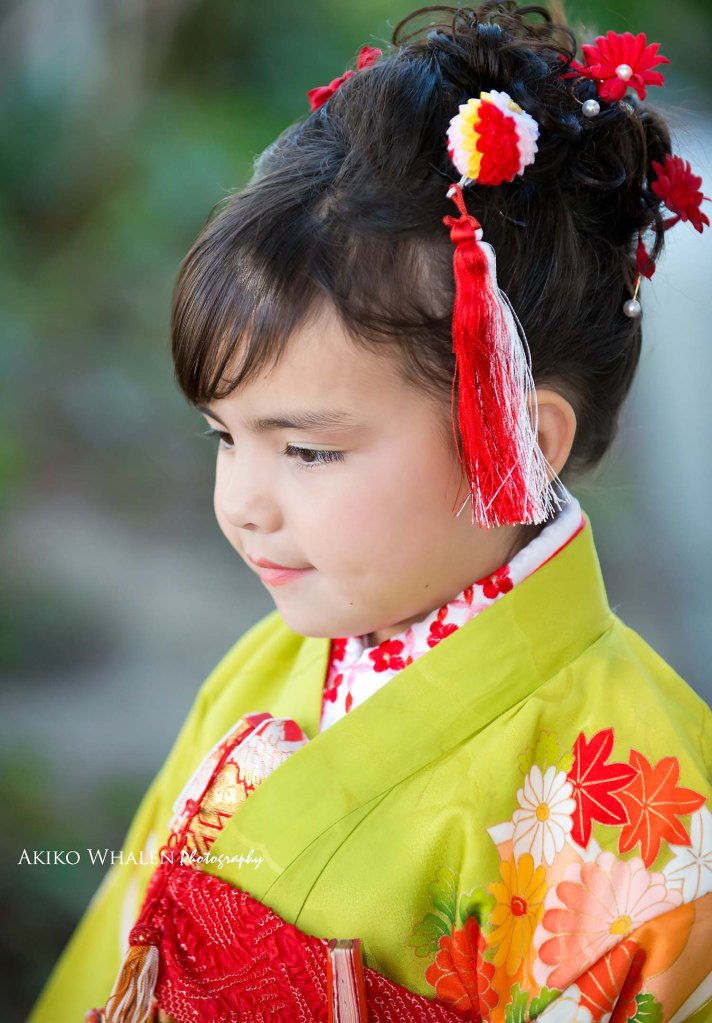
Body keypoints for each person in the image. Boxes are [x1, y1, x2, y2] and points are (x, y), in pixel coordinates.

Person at [29, 3, 711, 1022]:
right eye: (226, 437)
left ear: (519, 438)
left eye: (306, 449)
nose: (241, 506)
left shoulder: (646, 807)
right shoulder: (265, 670)